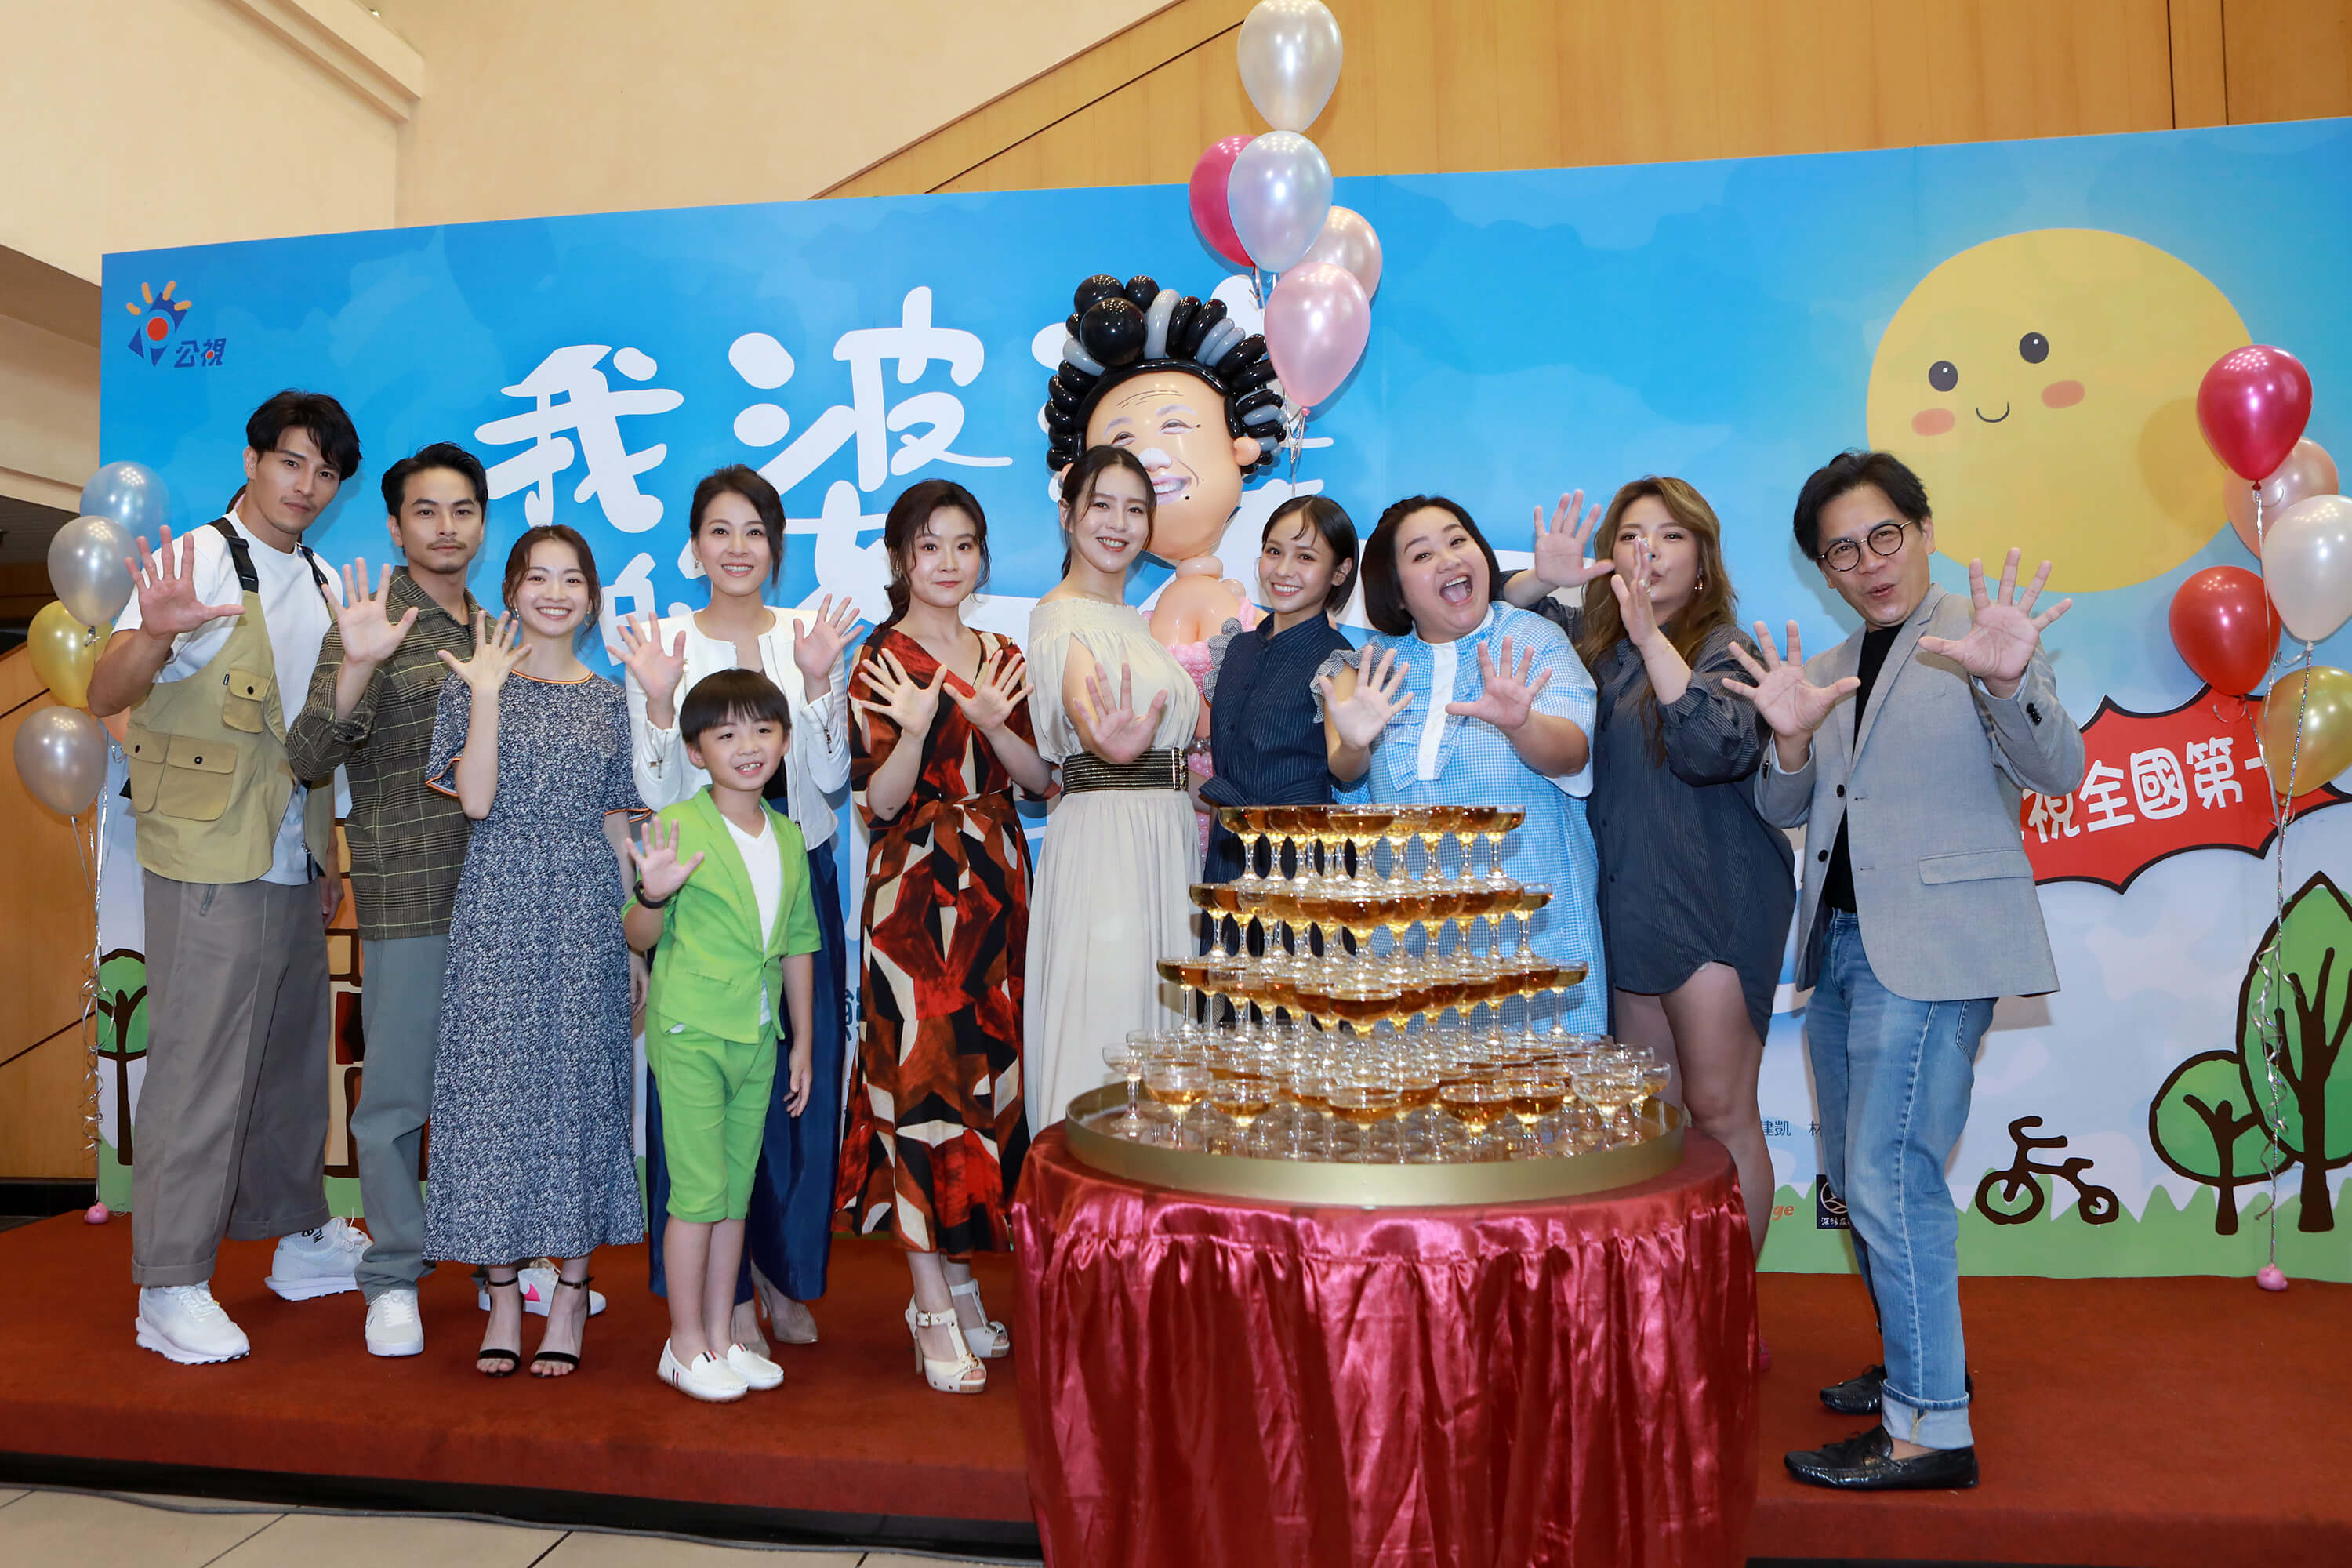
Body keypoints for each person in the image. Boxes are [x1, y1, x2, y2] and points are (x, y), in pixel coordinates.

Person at [1725, 451, 2082, 1490]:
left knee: (1890, 1173)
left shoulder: (1984, 632)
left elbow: (2058, 769)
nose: (1870, 562)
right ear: (1822, 569)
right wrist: (1791, 743)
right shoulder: (1835, 661)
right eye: (1842, 550)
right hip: (1838, 947)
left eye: (1885, 535)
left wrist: (2007, 681)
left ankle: (1930, 1427)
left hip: (1935, 948)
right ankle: (1918, 1364)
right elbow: (1784, 807)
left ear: (1924, 530)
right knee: (1855, 1174)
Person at [87, 390, 369, 1365]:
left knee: (289, 1059)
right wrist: (154, 633)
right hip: (208, 851)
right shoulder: (200, 558)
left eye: (326, 472)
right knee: (201, 1064)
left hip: (292, 851)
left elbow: (317, 739)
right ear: (252, 461)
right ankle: (167, 1282)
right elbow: (103, 688)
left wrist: (327, 854)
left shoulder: (323, 579)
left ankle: (299, 1237)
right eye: (292, 461)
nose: (307, 485)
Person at [1501, 480, 1794, 1260]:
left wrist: (1655, 641)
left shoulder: (1726, 646)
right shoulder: (1593, 649)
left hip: (1714, 902)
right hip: (1626, 904)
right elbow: (1487, 626)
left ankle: (1731, 1302)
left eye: (1670, 536)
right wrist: (1541, 580)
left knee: (1720, 1109)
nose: (1648, 551)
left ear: (1702, 559)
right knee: (1649, 1119)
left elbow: (1713, 750)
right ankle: (1673, 1300)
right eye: (1631, 535)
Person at [617, 464, 860, 1356]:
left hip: (797, 872)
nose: (737, 547)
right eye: (719, 530)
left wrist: (821, 684)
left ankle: (782, 1275)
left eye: (755, 530)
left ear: (776, 545)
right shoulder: (667, 642)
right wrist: (655, 697)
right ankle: (720, 1311)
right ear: (694, 546)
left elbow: (830, 777)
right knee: (702, 1095)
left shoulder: (808, 634)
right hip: (699, 885)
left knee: (795, 1082)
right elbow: (655, 795)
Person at [838, 480, 1054, 1395]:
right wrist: (916, 729)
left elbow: (1040, 780)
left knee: (985, 1085)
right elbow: (877, 802)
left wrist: (996, 726)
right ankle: (929, 1300)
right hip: (916, 895)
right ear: (900, 558)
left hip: (998, 881)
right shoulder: (880, 658)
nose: (949, 561)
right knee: (924, 1086)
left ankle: (961, 1279)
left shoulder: (1003, 654)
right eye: (930, 545)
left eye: (965, 544)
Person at [423, 525, 646, 1378]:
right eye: (538, 577)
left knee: (581, 1090)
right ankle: (505, 1291)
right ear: (511, 589)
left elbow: (619, 826)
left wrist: (632, 939)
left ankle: (572, 1292)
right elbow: (476, 801)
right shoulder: (475, 682)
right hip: (497, 904)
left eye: (573, 578)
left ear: (591, 596)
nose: (556, 593)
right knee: (494, 1093)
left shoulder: (611, 699)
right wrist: (486, 693)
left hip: (586, 909)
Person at [285, 442, 489, 1359]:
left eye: (462, 510)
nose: (446, 527)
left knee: (494, 1088)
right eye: (426, 511)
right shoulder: (370, 622)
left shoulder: (501, 629)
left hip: (505, 893)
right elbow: (307, 756)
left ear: (482, 524)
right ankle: (395, 1274)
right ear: (397, 526)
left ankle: (500, 1264)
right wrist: (359, 665)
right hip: (410, 885)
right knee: (399, 1094)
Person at [1318, 496, 1609, 1034]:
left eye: (1457, 541)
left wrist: (1521, 724)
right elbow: (1352, 789)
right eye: (1422, 555)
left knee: (1540, 1086)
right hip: (1409, 956)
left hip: (1531, 950)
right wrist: (1354, 744)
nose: (1449, 559)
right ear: (1397, 592)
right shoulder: (1380, 668)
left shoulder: (1531, 637)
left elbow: (1573, 754)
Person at [623, 669, 819, 1403]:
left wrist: (802, 1043)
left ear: (786, 741)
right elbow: (638, 934)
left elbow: (799, 944)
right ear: (696, 751)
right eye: (726, 733)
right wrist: (651, 892)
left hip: (758, 1035)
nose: (748, 746)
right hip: (692, 1031)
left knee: (734, 1195)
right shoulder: (677, 824)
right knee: (698, 1194)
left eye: (763, 730)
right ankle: (682, 1345)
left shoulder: (791, 835)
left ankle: (720, 1337)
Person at [1024, 447, 1202, 1134]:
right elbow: (1087, 709)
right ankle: (1088, 1190)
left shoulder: (1133, 621)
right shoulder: (1060, 618)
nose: (1118, 524)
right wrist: (1108, 744)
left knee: (1161, 1032)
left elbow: (1183, 737)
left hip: (1166, 837)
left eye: (1135, 509)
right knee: (1108, 1019)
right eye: (1101, 505)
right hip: (1110, 843)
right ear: (1067, 515)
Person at [1199, 495, 1358, 891]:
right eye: (1274, 551)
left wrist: (1357, 744)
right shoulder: (1237, 648)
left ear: (1340, 572)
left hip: (1301, 852)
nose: (1284, 569)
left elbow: (1345, 767)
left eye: (1306, 557)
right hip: (1229, 848)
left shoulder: (1337, 660)